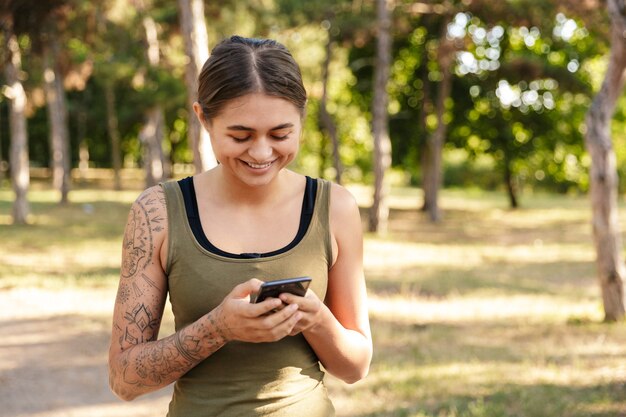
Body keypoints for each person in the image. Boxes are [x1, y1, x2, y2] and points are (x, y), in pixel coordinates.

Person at [108, 35, 372, 417]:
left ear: (302, 117)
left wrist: (316, 319)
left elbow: (355, 366)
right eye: (240, 136)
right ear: (203, 119)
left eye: (281, 134)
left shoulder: (335, 208)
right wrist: (217, 329)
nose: (262, 153)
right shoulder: (158, 212)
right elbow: (123, 379)